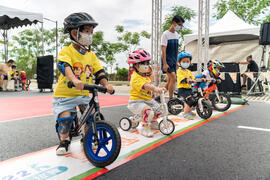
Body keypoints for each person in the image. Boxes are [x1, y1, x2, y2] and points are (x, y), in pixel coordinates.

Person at [53, 12, 114, 155]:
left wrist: (106, 85)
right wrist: (74, 79)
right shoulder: (66, 51)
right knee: (66, 119)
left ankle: (87, 138)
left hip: (84, 93)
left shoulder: (91, 55)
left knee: (91, 116)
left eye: (91, 32)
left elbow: (99, 72)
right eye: (87, 32)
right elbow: (64, 66)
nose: (90, 35)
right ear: (75, 32)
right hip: (65, 94)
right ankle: (64, 140)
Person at [127, 49, 167, 137]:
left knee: (159, 110)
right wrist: (156, 89)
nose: (145, 66)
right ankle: (144, 127)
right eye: (142, 63)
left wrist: (160, 89)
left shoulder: (145, 76)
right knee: (148, 111)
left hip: (147, 101)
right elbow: (146, 86)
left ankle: (152, 122)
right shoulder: (135, 77)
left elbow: (149, 86)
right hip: (136, 102)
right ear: (135, 65)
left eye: (146, 63)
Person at [161, 15, 185, 99]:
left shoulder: (177, 35)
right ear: (173, 23)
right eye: (179, 24)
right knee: (173, 78)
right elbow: (163, 49)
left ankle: (160, 96)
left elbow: (176, 49)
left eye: (181, 25)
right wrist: (164, 64)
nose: (180, 27)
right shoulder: (165, 34)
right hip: (167, 61)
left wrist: (177, 61)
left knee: (169, 81)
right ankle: (171, 99)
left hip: (174, 61)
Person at [177, 52, 204, 120]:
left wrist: (200, 79)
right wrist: (187, 80)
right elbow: (181, 79)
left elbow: (193, 78)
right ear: (179, 62)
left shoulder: (188, 71)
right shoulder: (179, 71)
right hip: (182, 89)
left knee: (194, 100)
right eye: (184, 61)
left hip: (189, 89)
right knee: (190, 100)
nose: (186, 63)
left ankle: (189, 111)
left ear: (190, 62)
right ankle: (185, 113)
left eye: (187, 61)